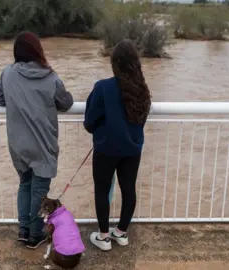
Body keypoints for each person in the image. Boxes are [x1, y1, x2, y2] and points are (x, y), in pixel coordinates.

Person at [0, 31, 74, 249]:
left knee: (25, 184)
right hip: (43, 145)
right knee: (39, 190)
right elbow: (66, 103)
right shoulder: (50, 77)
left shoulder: (7, 74)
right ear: (38, 50)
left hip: (18, 144)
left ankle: (24, 230)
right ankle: (34, 234)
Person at [83, 40, 151, 251]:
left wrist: (102, 131)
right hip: (132, 148)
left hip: (106, 148)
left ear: (115, 63)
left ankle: (103, 237)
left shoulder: (103, 87)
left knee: (102, 190)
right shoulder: (142, 89)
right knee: (128, 189)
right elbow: (141, 119)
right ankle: (121, 233)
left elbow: (89, 121)